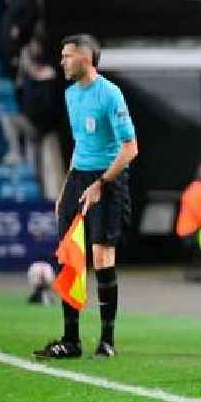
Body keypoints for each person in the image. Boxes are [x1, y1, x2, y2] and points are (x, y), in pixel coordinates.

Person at [33, 34, 138, 359]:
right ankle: (71, 340)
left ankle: (107, 341)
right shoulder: (70, 95)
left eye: (67, 55)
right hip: (79, 178)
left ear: (86, 58)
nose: (62, 61)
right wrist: (67, 187)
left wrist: (101, 184)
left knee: (101, 256)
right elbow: (80, 144)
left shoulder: (109, 94)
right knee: (70, 255)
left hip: (109, 178)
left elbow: (130, 148)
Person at [0, 0, 37, 79]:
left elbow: (32, 14)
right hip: (9, 46)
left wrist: (19, 27)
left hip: (19, 47)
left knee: (19, 79)